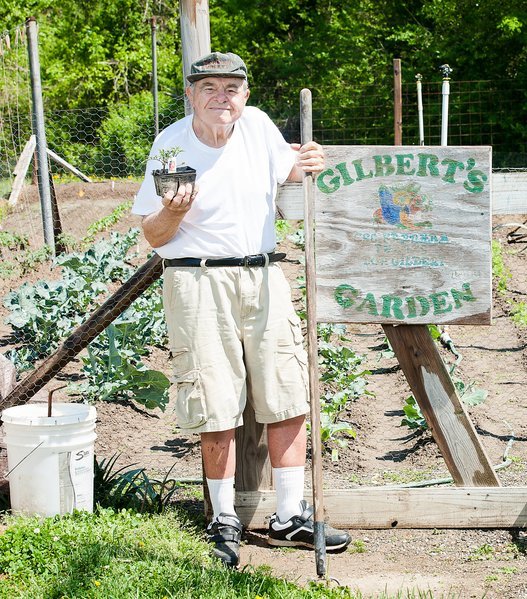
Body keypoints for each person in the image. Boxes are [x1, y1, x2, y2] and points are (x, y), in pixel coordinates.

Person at [133, 51, 350, 568]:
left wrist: (306, 163)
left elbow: (290, 170)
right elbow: (152, 234)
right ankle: (224, 517)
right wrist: (173, 210)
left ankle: (289, 515)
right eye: (208, 87)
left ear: (245, 95)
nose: (220, 97)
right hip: (196, 278)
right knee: (213, 396)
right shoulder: (171, 146)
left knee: (287, 388)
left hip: (264, 273)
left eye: (231, 88)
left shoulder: (257, 127)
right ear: (191, 94)